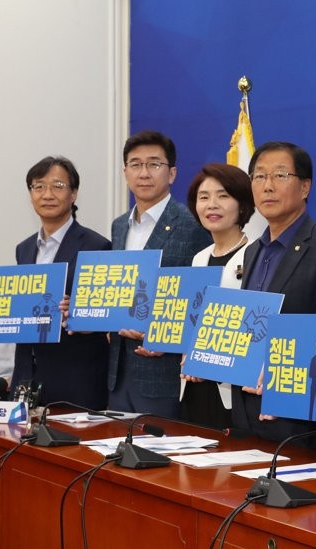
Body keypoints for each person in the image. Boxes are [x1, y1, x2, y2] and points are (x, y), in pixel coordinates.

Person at [108, 131, 211, 416]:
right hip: (118, 374)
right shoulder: (119, 226)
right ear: (125, 173)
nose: (144, 173)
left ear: (172, 173)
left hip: (164, 375)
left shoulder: (193, 224)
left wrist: (168, 338)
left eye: (154, 164)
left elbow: (204, 298)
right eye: (135, 164)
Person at [231, 141, 316, 442]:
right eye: (259, 176)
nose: (267, 186)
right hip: (245, 408)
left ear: (305, 187)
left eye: (280, 175)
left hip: (293, 416)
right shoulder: (252, 251)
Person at [13, 156, 112, 408]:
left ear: (73, 194)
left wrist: (79, 312)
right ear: (31, 194)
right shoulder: (24, 249)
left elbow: (108, 313)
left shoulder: (96, 246)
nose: (47, 194)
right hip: (28, 375)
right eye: (39, 186)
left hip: (77, 377)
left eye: (57, 186)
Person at [180, 163, 255, 429]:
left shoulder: (256, 255)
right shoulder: (199, 258)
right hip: (193, 385)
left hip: (235, 391)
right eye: (204, 197)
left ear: (242, 204)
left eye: (223, 196)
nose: (212, 204)